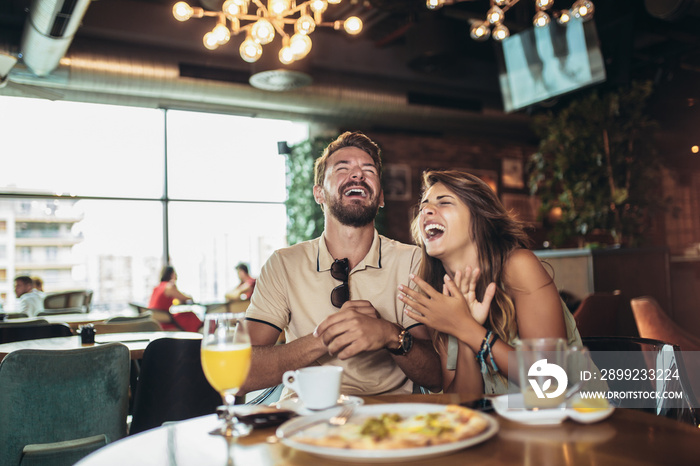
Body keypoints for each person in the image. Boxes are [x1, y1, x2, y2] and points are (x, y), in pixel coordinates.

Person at [242, 131, 442, 398]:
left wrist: (390, 334)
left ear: (381, 197)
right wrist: (325, 338)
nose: (357, 175)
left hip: (389, 418)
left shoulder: (413, 261)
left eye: (368, 170)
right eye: (342, 168)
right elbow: (241, 373)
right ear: (319, 194)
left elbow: (436, 376)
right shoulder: (283, 264)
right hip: (306, 417)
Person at [397, 170, 582, 395]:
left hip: (575, 420)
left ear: (478, 219)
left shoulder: (518, 267)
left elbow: (551, 383)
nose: (425, 210)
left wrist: (466, 328)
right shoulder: (439, 295)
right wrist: (465, 335)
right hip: (501, 426)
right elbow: (465, 403)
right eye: (423, 205)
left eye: (444, 202)